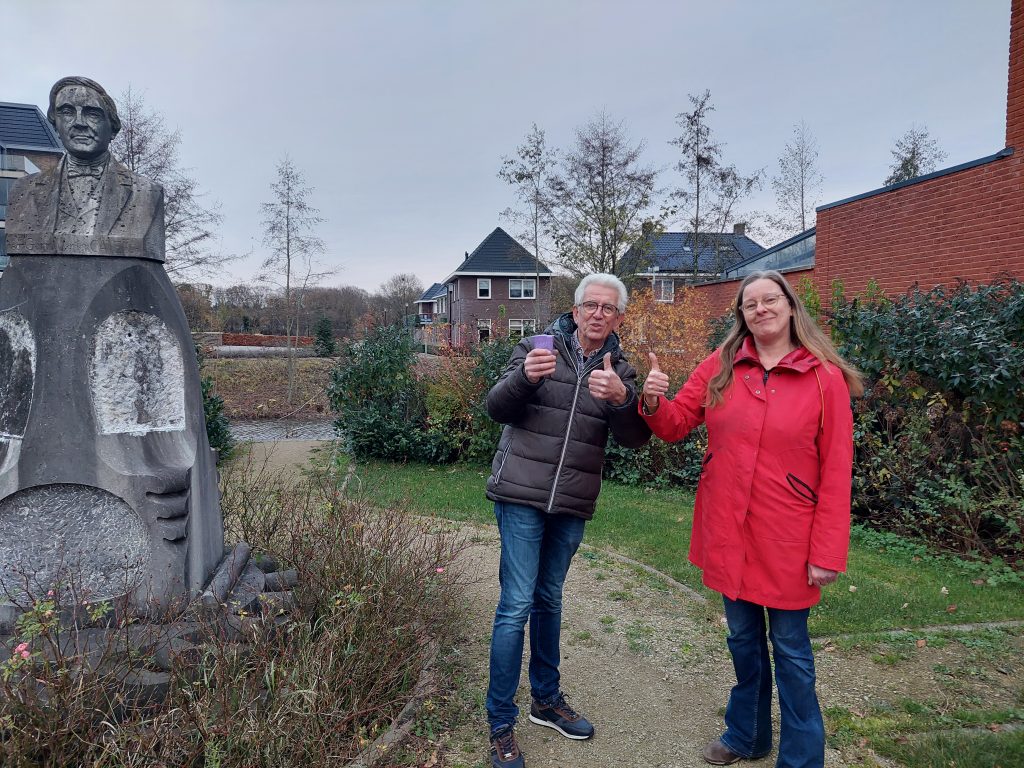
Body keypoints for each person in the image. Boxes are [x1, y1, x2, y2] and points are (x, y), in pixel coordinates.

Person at [640, 270, 863, 768]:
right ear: (741, 314)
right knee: (743, 641)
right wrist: (652, 400)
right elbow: (675, 425)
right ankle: (747, 735)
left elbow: (836, 469)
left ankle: (801, 759)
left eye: (770, 300)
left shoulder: (824, 378)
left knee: (791, 652)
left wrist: (827, 552)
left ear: (790, 306)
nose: (761, 309)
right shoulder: (721, 364)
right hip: (728, 530)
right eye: (750, 303)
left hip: (788, 538)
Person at [484, 273, 651, 768]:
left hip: (572, 501)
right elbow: (496, 407)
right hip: (520, 494)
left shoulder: (621, 369)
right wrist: (526, 378)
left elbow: (635, 440)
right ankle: (500, 723)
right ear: (575, 311)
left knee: (549, 598)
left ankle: (546, 700)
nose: (598, 313)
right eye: (590, 305)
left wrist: (622, 399)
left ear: (619, 318)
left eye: (608, 308)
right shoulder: (536, 349)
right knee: (516, 603)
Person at [7, 75, 165, 261]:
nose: (79, 123)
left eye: (92, 114)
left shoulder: (147, 193)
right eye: (67, 112)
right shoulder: (23, 191)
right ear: (55, 125)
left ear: (113, 128)